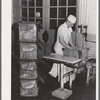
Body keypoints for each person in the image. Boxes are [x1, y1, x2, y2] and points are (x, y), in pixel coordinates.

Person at [49, 14, 77, 84]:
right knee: (62, 64)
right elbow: (61, 40)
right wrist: (68, 47)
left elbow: (69, 38)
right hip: (58, 48)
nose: (72, 26)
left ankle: (56, 76)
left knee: (60, 64)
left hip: (64, 48)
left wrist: (73, 46)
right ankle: (62, 80)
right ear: (68, 21)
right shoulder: (61, 28)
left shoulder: (69, 28)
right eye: (72, 24)